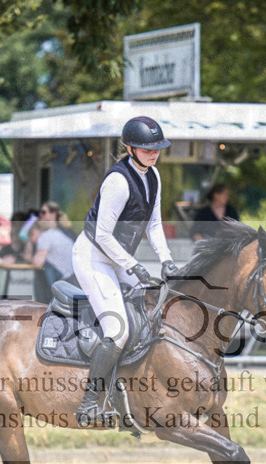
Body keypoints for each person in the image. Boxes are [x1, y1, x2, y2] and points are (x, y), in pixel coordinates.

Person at [72, 115, 179, 426]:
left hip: (117, 258)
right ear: (130, 149)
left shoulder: (153, 176)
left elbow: (154, 224)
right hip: (94, 256)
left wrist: (166, 258)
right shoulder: (118, 181)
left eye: (157, 148)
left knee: (150, 312)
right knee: (118, 331)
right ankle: (90, 402)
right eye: (147, 149)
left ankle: (132, 394)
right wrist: (134, 265)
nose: (154, 153)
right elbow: (103, 235)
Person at [28, 201, 77, 288]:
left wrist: (29, 242)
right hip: (74, 278)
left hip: (66, 282)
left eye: (43, 212)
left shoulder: (46, 236)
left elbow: (38, 262)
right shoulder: (60, 233)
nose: (41, 215)